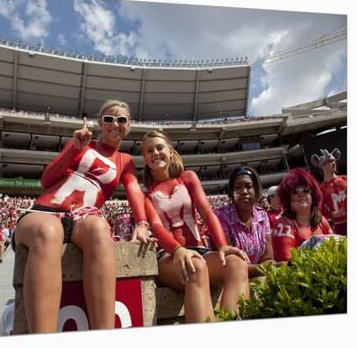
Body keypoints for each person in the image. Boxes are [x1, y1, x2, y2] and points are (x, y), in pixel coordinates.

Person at [13, 100, 152, 333]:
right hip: (46, 211)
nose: (115, 124)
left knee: (99, 228)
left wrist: (142, 223)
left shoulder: (125, 160)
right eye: (109, 119)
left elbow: (134, 190)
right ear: (100, 123)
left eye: (121, 120)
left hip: (84, 217)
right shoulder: (81, 144)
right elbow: (46, 180)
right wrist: (73, 149)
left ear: (128, 126)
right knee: (49, 231)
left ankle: (102, 336)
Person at [141, 131, 249, 321]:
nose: (155, 153)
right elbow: (156, 226)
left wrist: (222, 245)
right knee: (195, 267)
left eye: (159, 147)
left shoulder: (188, 177)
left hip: (200, 251)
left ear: (170, 151)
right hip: (167, 256)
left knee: (237, 264)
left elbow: (207, 211)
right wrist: (178, 250)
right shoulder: (144, 191)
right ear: (145, 159)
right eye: (149, 150)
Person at [215, 167, 281, 277]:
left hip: (259, 276)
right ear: (231, 192)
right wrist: (267, 268)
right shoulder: (221, 216)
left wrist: (268, 267)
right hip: (232, 280)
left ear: (256, 190)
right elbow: (231, 264)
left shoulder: (262, 216)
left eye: (249, 186)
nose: (244, 191)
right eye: (238, 187)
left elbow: (268, 258)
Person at [272, 168, 334, 262]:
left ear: (313, 195)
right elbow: (286, 262)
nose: (301, 194)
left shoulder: (321, 220)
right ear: (288, 198)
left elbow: (336, 248)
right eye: (295, 192)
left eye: (305, 190)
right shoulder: (283, 225)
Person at [311, 148, 347, 236]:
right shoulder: (320, 189)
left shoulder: (346, 179)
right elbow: (319, 210)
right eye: (330, 161)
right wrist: (332, 215)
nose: (334, 163)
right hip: (338, 226)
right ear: (322, 166)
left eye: (334, 160)